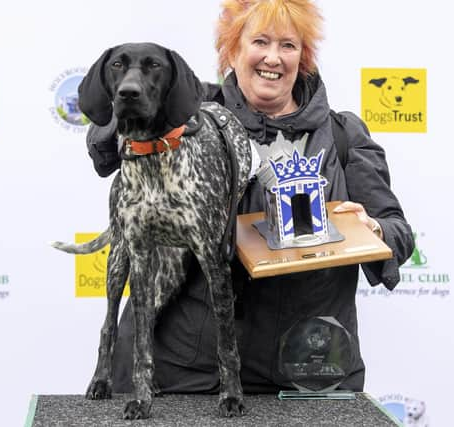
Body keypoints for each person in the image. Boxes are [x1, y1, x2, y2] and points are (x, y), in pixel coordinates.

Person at [85, 0, 414, 394]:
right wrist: (142, 105)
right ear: (233, 49)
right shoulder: (187, 116)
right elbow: (105, 144)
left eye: (288, 45)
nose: (273, 58)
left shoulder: (344, 136)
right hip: (193, 373)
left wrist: (372, 227)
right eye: (260, 41)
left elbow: (398, 232)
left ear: (302, 57)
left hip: (312, 366)